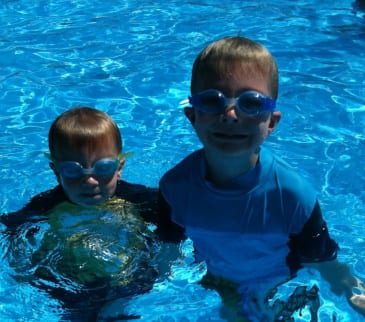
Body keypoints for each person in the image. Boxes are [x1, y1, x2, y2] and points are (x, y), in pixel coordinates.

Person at [159, 36, 365, 320]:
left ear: (272, 123)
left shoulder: (292, 195)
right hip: (215, 282)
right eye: (212, 101)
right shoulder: (174, 188)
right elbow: (167, 249)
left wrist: (352, 291)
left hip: (280, 284)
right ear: (192, 115)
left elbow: (323, 258)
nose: (230, 115)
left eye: (251, 103)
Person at [1, 107, 163, 321]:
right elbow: (12, 228)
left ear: (119, 167)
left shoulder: (136, 198)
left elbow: (175, 216)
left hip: (129, 279)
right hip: (69, 284)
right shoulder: (47, 204)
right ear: (56, 171)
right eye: (73, 171)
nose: (89, 181)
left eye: (103, 168)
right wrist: (22, 267)